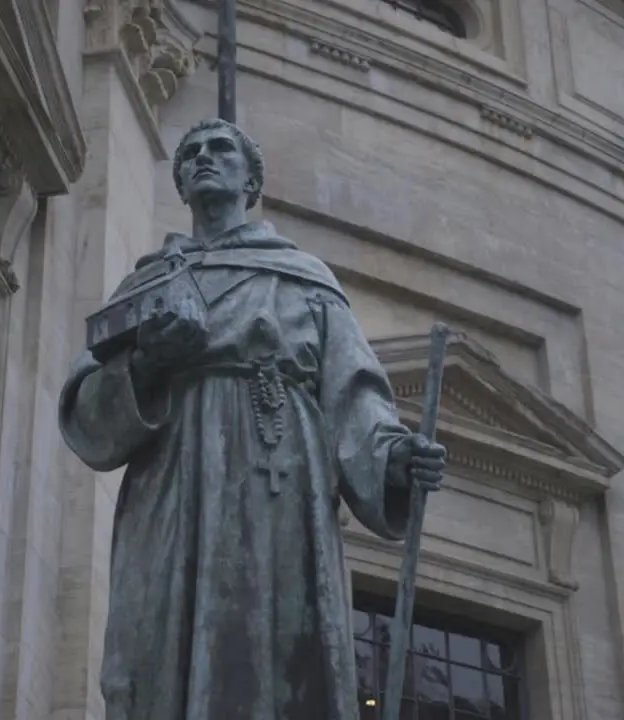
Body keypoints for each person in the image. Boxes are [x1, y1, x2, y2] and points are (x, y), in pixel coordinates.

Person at [58, 118, 446, 719]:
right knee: (152, 641)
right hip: (172, 483)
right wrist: (146, 365)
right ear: (181, 184)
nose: (204, 159)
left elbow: (356, 394)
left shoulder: (306, 279)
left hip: (276, 480)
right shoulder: (145, 285)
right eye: (190, 154)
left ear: (252, 180)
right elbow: (87, 412)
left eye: (221, 150)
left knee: (269, 639)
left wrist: (394, 458)